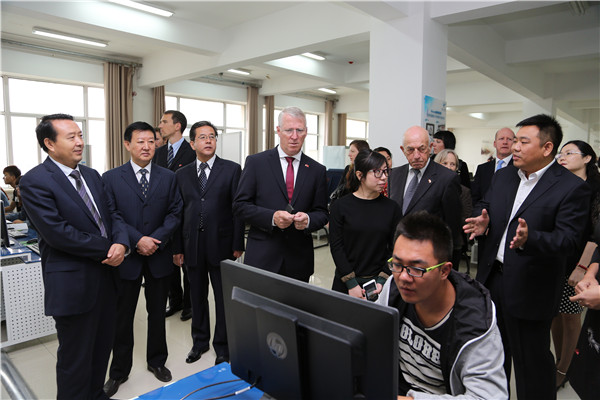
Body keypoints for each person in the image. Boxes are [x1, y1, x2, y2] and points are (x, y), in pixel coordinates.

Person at [464, 114, 591, 399]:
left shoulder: (571, 187)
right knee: (492, 356)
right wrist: (483, 221)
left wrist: (530, 239)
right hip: (492, 280)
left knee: (531, 363)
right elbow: (486, 205)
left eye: (523, 141)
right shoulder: (504, 175)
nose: (515, 147)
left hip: (531, 287)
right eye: (515, 141)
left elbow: (569, 240)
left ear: (547, 148)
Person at [19, 114, 129, 400]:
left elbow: (113, 214)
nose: (80, 142)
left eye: (80, 135)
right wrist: (108, 249)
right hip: (73, 284)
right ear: (49, 143)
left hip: (107, 278)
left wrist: (121, 243)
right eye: (71, 137)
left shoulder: (91, 175)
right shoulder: (34, 181)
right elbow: (58, 233)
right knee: (75, 359)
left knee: (101, 349)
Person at [377, 211, 507, 399]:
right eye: (397, 264)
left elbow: (488, 397)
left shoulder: (476, 322)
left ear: (444, 270)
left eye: (416, 269)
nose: (403, 277)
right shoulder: (393, 290)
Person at [102, 122, 183, 397]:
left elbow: (175, 212)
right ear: (127, 144)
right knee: (122, 316)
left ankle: (157, 361)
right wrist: (138, 240)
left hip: (158, 255)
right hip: (127, 258)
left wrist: (155, 239)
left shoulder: (168, 177)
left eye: (151, 141)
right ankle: (119, 371)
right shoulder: (111, 178)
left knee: (157, 313)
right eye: (140, 141)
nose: (147, 146)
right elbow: (112, 215)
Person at [173, 121, 245, 365]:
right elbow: (178, 213)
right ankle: (199, 342)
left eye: (212, 136)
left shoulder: (232, 169)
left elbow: (238, 209)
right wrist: (177, 248)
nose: (208, 140)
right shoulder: (181, 174)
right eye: (202, 137)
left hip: (222, 244)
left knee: (223, 298)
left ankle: (222, 346)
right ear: (192, 143)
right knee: (196, 297)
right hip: (191, 245)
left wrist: (238, 242)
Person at [233, 106, 328, 282]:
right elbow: (240, 206)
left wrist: (308, 219)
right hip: (262, 257)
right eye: (289, 130)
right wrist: (272, 217)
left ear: (306, 132)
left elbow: (322, 213)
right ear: (278, 130)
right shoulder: (256, 163)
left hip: (299, 260)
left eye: (299, 130)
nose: (294, 136)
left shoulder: (317, 170)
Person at [552, 140, 600, 389]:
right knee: (554, 315)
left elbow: (595, 235)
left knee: (570, 316)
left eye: (569, 153)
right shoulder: (559, 185)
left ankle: (565, 368)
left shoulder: (595, 190)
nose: (563, 157)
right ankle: (559, 361)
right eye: (561, 153)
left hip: (582, 263)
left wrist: (582, 267)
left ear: (587, 158)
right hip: (556, 260)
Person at [329, 150, 401, 298]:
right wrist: (351, 283)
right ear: (360, 175)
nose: (384, 177)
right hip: (345, 282)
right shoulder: (340, 206)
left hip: (379, 284)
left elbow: (396, 247)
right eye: (377, 172)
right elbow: (336, 247)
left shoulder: (392, 208)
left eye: (385, 171)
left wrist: (382, 279)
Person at [388, 126, 462, 261]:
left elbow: (452, 226)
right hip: (398, 254)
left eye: (422, 149)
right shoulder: (394, 175)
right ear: (403, 150)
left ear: (430, 147)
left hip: (428, 258)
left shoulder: (446, 178)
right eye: (410, 150)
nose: (416, 156)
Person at [153, 110, 196, 320]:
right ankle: (175, 300)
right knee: (169, 264)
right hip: (165, 217)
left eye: (164, 121)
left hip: (186, 215)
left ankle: (190, 304)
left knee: (187, 264)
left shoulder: (192, 151)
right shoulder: (159, 153)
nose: (160, 125)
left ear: (177, 126)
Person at [434, 149, 472, 271]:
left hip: (453, 243)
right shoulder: (428, 187)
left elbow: (466, 218)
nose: (449, 167)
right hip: (430, 241)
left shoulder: (464, 191)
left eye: (452, 164)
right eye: (444, 163)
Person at [471, 128, 515, 206]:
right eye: (501, 139)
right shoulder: (482, 169)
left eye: (509, 139)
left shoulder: (520, 168)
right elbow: (475, 197)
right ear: (495, 144)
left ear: (514, 143)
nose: (505, 142)